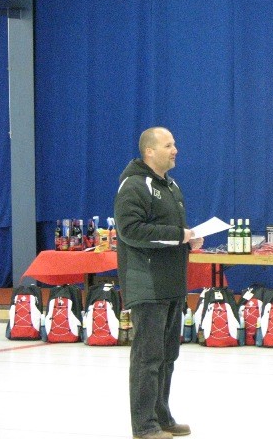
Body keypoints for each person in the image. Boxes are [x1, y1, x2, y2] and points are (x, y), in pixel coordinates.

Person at [114, 127, 203, 439]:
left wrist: (188, 239)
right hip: (147, 284)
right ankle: (144, 426)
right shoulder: (134, 186)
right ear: (149, 151)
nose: (175, 149)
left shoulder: (171, 186)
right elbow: (130, 231)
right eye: (168, 145)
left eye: (174, 144)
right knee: (147, 358)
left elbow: (169, 232)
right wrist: (179, 235)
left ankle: (161, 417)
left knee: (167, 357)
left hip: (172, 283)